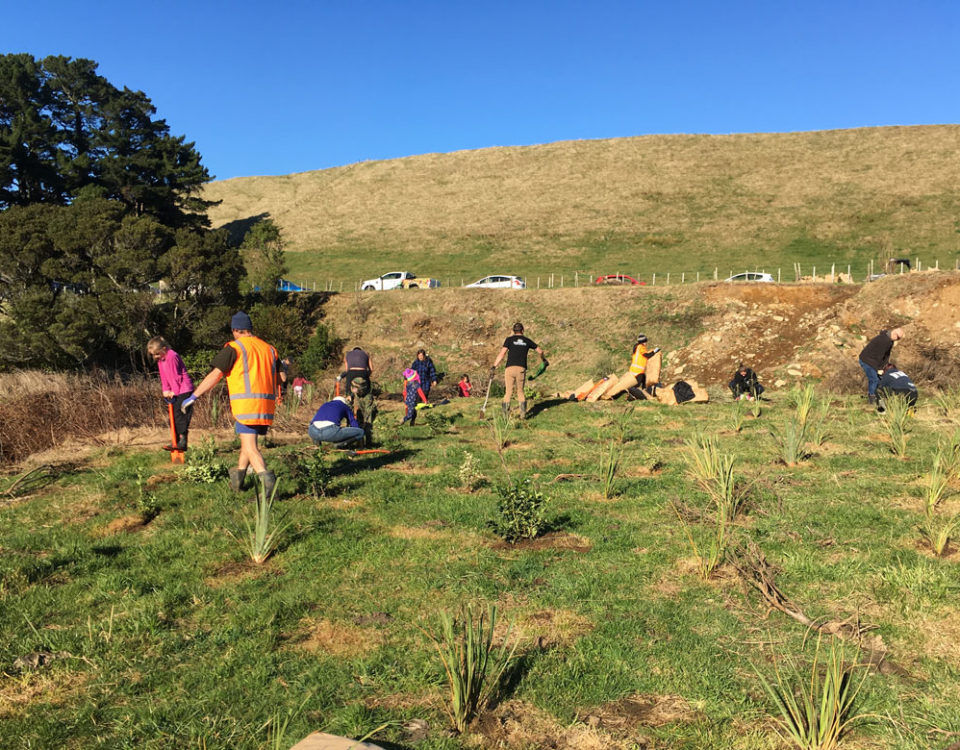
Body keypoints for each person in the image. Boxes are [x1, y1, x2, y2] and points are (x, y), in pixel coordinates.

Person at [182, 311, 280, 497]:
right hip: (266, 407)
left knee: (250, 447)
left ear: (235, 330)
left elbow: (215, 375)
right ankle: (237, 480)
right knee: (248, 443)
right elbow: (280, 377)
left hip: (246, 407)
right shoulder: (269, 349)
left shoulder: (234, 348)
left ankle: (268, 484)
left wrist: (194, 396)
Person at [147, 336, 194, 452]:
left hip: (183, 389)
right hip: (175, 390)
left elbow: (175, 376)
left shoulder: (172, 356)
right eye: (153, 355)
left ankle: (182, 441)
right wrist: (165, 390)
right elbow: (164, 376)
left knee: (180, 415)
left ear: (164, 349)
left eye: (157, 353)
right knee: (173, 417)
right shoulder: (161, 360)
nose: (155, 357)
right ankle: (176, 441)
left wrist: (174, 391)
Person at [491, 322, 547, 419]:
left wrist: (494, 366)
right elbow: (540, 351)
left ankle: (505, 416)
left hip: (509, 368)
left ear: (513, 331)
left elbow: (502, 354)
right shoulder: (527, 341)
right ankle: (523, 415)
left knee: (508, 392)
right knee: (520, 391)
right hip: (521, 368)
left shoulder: (509, 340)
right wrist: (543, 360)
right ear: (523, 330)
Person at [859, 328, 904, 404]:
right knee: (874, 379)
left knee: (881, 380)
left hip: (874, 360)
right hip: (867, 360)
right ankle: (872, 399)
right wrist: (879, 369)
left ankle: (881, 397)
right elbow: (879, 355)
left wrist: (885, 366)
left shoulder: (890, 340)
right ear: (895, 335)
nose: (898, 340)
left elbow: (886, 355)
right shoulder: (884, 340)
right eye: (898, 338)